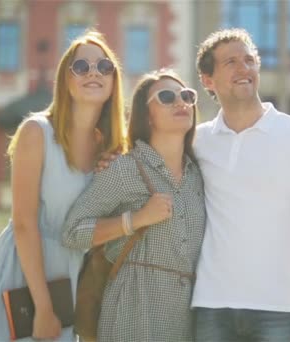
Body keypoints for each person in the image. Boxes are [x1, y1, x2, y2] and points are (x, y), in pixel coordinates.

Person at [191, 28, 290, 342]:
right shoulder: (196, 141)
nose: (244, 69)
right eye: (231, 62)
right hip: (211, 306)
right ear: (207, 80)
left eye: (249, 60)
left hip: (280, 309)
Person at [0, 30, 126, 341]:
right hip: (25, 272)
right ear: (66, 79)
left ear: (114, 81)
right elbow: (23, 223)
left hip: (73, 277)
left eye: (104, 67)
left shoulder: (111, 150)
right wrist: (43, 306)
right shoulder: (36, 132)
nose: (93, 72)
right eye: (81, 66)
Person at [62, 69, 206, 341]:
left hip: (187, 322)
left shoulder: (198, 175)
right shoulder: (125, 169)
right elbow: (72, 231)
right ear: (146, 115)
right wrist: (136, 219)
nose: (181, 102)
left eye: (187, 96)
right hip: (133, 316)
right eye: (166, 97)